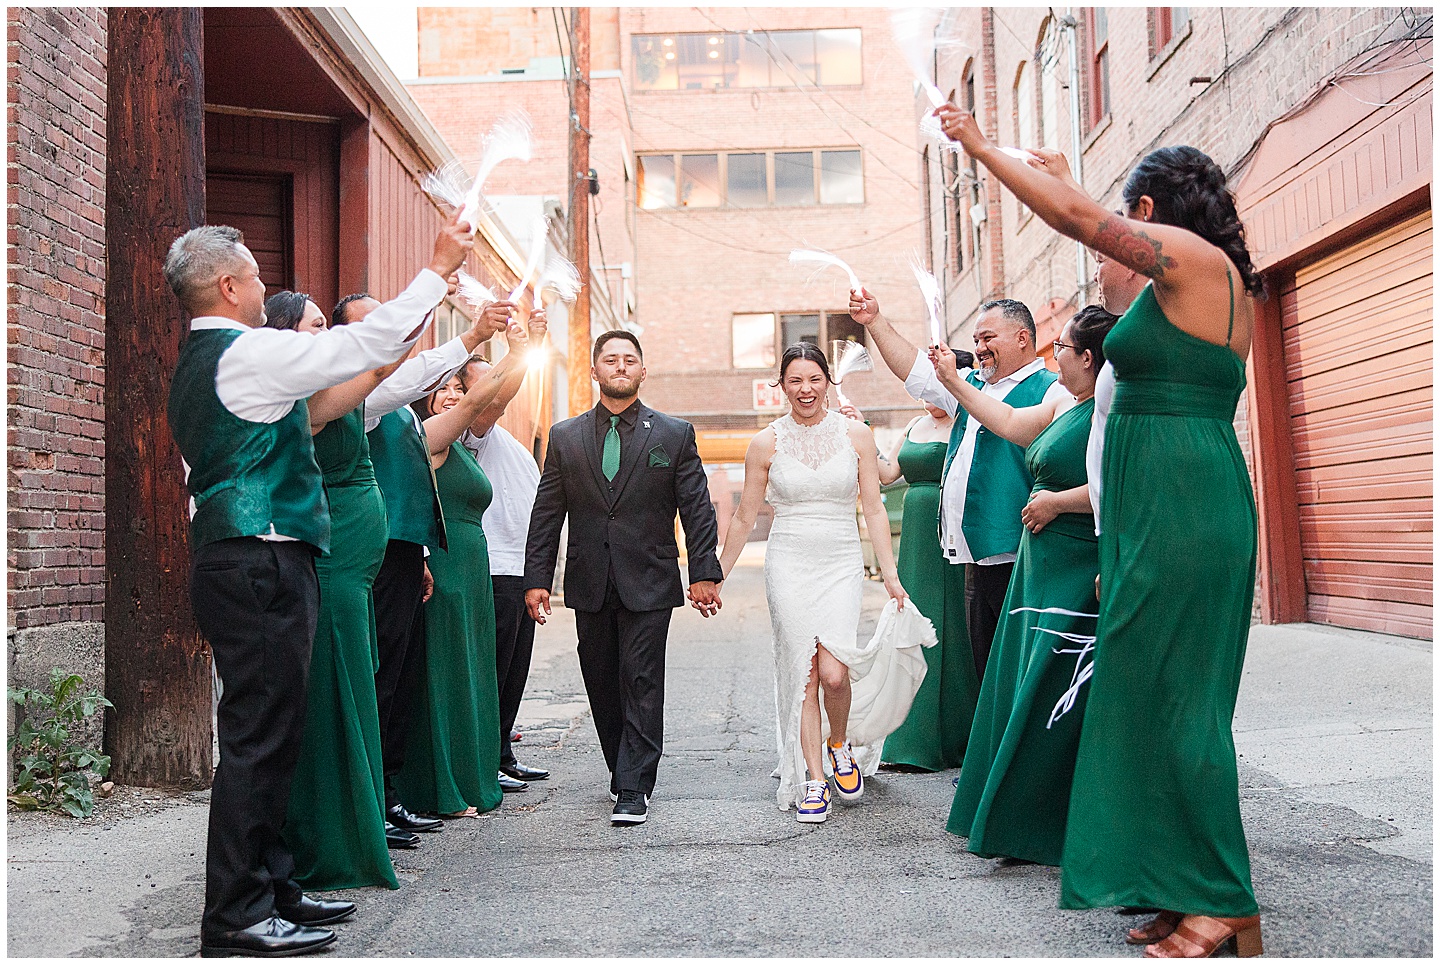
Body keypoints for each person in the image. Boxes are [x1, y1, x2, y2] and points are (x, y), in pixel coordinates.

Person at [938, 107, 1265, 958]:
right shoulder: (1187, 275)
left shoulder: (1197, 263)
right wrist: (1068, 182)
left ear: (1149, 211)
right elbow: (1094, 224)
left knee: (1182, 705)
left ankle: (1225, 901)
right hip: (1154, 504)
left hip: (1186, 503)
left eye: (1128, 212)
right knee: (1141, 700)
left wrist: (978, 149)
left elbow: (1082, 224)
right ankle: (1172, 879)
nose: (1117, 232)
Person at [164, 213, 472, 957]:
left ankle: (271, 887)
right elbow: (357, 346)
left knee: (274, 737)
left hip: (243, 561)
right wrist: (435, 270)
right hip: (259, 561)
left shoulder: (201, 364)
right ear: (230, 285)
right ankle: (236, 914)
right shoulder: (245, 354)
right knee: (258, 742)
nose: (265, 284)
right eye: (257, 275)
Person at [926, 306, 1117, 868]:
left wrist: (1058, 501)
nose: (1051, 355)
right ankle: (1015, 816)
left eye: (1061, 347)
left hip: (1079, 562)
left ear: (1088, 358)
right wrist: (954, 382)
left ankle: (1055, 820)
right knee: (1022, 688)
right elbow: (1007, 424)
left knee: (1056, 691)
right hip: (1042, 566)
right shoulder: (1062, 399)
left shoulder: (1113, 404)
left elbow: (1117, 482)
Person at [343, 289, 522, 845]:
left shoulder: (395, 409)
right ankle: (378, 797)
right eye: (367, 325)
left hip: (406, 553)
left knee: (396, 679)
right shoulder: (359, 400)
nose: (385, 333)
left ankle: (390, 792)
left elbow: (462, 405)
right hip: (367, 554)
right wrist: (471, 336)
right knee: (378, 679)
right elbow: (433, 389)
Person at [523, 331, 724, 826]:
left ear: (642, 370)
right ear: (594, 371)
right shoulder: (566, 437)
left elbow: (697, 508)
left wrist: (704, 572)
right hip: (590, 581)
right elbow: (547, 511)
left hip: (650, 580)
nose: (619, 367)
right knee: (601, 681)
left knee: (640, 678)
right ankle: (623, 770)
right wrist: (537, 577)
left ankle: (634, 787)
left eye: (628, 360)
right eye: (609, 360)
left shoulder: (673, 434)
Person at [715, 343, 909, 823]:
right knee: (804, 672)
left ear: (828, 381)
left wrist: (890, 575)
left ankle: (839, 741)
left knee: (834, 673)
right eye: (795, 381)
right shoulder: (766, 443)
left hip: (840, 560)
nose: (805, 390)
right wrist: (715, 575)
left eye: (814, 379)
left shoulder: (856, 435)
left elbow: (874, 507)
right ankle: (813, 779)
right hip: (788, 561)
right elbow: (743, 515)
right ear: (781, 386)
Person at [261, 291, 412, 894]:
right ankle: (329, 838)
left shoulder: (330, 380)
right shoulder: (305, 396)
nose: (327, 333)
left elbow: (388, 367)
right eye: (318, 324)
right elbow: (379, 368)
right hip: (330, 555)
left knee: (355, 679)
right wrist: (428, 304)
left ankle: (358, 819)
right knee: (333, 685)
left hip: (352, 559)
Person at [851, 294, 1071, 686]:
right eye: (975, 339)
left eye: (989, 338)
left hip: (1019, 551)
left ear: (1023, 338)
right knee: (984, 671)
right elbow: (914, 370)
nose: (979, 349)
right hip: (971, 555)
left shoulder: (1051, 391)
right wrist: (875, 321)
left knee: (1018, 669)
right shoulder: (969, 385)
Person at [396, 312, 543, 818]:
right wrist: (520, 351)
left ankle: (482, 764)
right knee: (447, 676)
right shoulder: (448, 439)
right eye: (444, 391)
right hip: (450, 564)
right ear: (427, 402)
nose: (455, 396)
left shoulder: (491, 445)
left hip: (481, 570)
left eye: (459, 389)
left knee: (478, 676)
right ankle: (440, 780)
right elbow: (490, 399)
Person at [841, 395, 978, 773]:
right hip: (916, 538)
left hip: (950, 530)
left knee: (951, 627)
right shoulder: (913, 426)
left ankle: (955, 736)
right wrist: (863, 426)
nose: (928, 397)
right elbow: (887, 474)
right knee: (913, 621)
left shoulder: (969, 422)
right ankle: (909, 738)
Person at [459, 356, 549, 786]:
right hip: (491, 569)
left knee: (515, 670)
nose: (493, 389)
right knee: (492, 671)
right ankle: (486, 760)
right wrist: (522, 350)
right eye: (484, 381)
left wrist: (540, 575)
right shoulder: (472, 431)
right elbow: (491, 404)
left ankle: (503, 754)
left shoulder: (512, 445)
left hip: (522, 573)